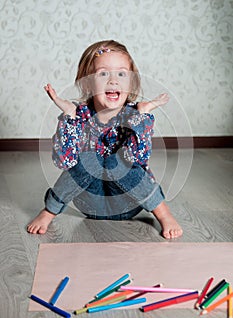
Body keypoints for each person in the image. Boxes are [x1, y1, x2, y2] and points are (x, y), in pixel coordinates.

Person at [27, 40, 183, 239]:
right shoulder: (80, 117)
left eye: (121, 74)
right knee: (88, 160)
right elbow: (64, 160)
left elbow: (139, 158)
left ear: (131, 82)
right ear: (88, 83)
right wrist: (69, 116)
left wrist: (142, 114)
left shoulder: (132, 116)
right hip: (91, 203)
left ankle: (164, 214)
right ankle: (48, 212)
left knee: (118, 161)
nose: (113, 80)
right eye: (103, 74)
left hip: (128, 202)